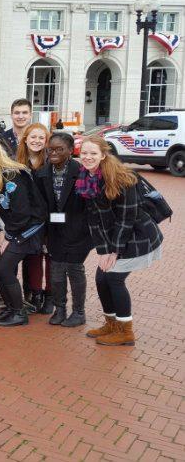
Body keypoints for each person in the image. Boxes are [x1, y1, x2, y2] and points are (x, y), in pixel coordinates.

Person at [77, 136, 163, 346]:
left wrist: (113, 252)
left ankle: (125, 331)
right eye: (84, 153)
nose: (87, 157)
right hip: (114, 237)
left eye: (93, 153)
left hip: (137, 236)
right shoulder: (86, 178)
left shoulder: (122, 177)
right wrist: (103, 251)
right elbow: (94, 219)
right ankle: (111, 323)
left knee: (114, 279)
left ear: (104, 155)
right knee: (101, 278)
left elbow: (127, 219)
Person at [0, 136, 46, 327]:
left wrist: (8, 235)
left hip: (29, 230)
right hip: (13, 229)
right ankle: (11, 308)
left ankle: (19, 313)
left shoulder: (12, 174)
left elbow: (22, 212)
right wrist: (1, 231)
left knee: (3, 268)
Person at [34, 133, 92, 327]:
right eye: (51, 149)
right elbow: (40, 206)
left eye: (60, 149)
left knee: (75, 271)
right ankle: (60, 309)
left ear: (69, 151)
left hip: (78, 231)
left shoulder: (82, 172)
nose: (54, 153)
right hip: (54, 231)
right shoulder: (42, 174)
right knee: (56, 272)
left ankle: (79, 312)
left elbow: (90, 204)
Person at [17, 123, 52, 313]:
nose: (37, 141)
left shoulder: (52, 161)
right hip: (29, 220)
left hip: (51, 218)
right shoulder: (18, 161)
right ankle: (35, 294)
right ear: (25, 139)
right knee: (33, 256)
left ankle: (50, 296)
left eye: (41, 138)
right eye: (33, 137)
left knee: (51, 256)